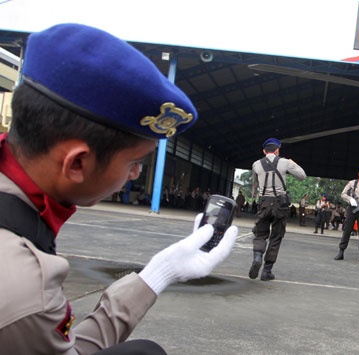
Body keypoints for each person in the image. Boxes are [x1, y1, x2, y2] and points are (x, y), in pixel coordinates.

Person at [0, 23, 238, 354]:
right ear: (77, 163)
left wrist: (158, 273)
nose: (136, 174)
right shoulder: (24, 289)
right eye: (134, 163)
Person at [249, 138, 306, 281]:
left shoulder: (256, 164)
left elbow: (255, 185)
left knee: (260, 233)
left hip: (264, 202)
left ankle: (257, 257)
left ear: (264, 151)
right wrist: (293, 163)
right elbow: (302, 176)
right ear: (277, 150)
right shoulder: (285, 162)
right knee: (276, 236)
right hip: (280, 204)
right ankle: (267, 271)